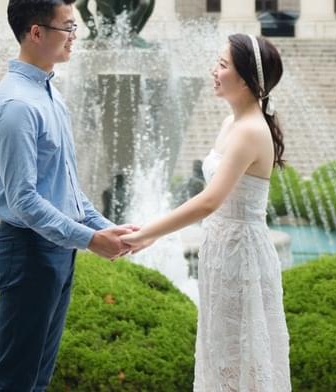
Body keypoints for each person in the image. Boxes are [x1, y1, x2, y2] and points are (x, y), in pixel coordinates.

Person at [0, 0, 137, 392]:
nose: (75, 37)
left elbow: (64, 183)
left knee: (37, 378)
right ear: (36, 33)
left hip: (54, 249)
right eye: (68, 27)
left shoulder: (49, 93)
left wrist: (105, 227)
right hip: (28, 250)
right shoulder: (18, 105)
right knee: (13, 380)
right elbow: (25, 200)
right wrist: (89, 240)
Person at [122, 33, 291, 391]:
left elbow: (209, 200)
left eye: (223, 64)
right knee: (219, 351)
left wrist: (147, 233)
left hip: (242, 255)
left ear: (245, 79)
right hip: (220, 249)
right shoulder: (232, 123)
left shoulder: (248, 130)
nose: (214, 70)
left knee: (240, 353)